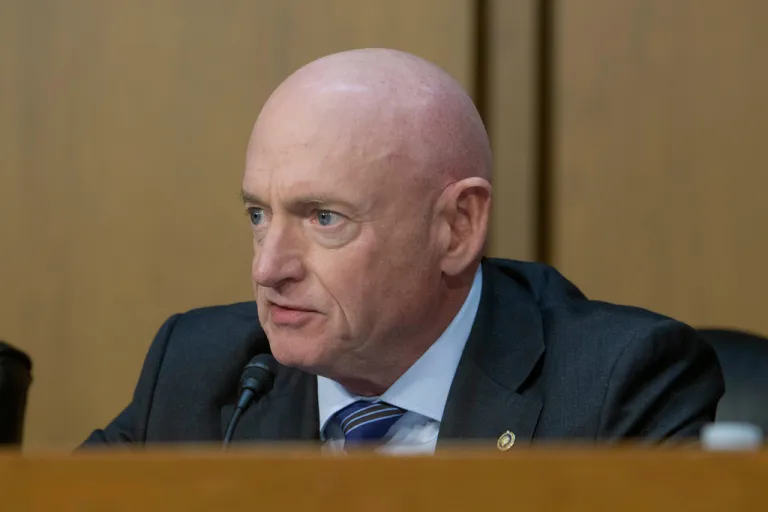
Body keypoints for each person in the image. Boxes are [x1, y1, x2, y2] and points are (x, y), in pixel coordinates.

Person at [82, 49, 723, 452]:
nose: (268, 267)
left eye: (324, 217)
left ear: (457, 227)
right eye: (258, 214)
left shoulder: (616, 388)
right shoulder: (200, 371)